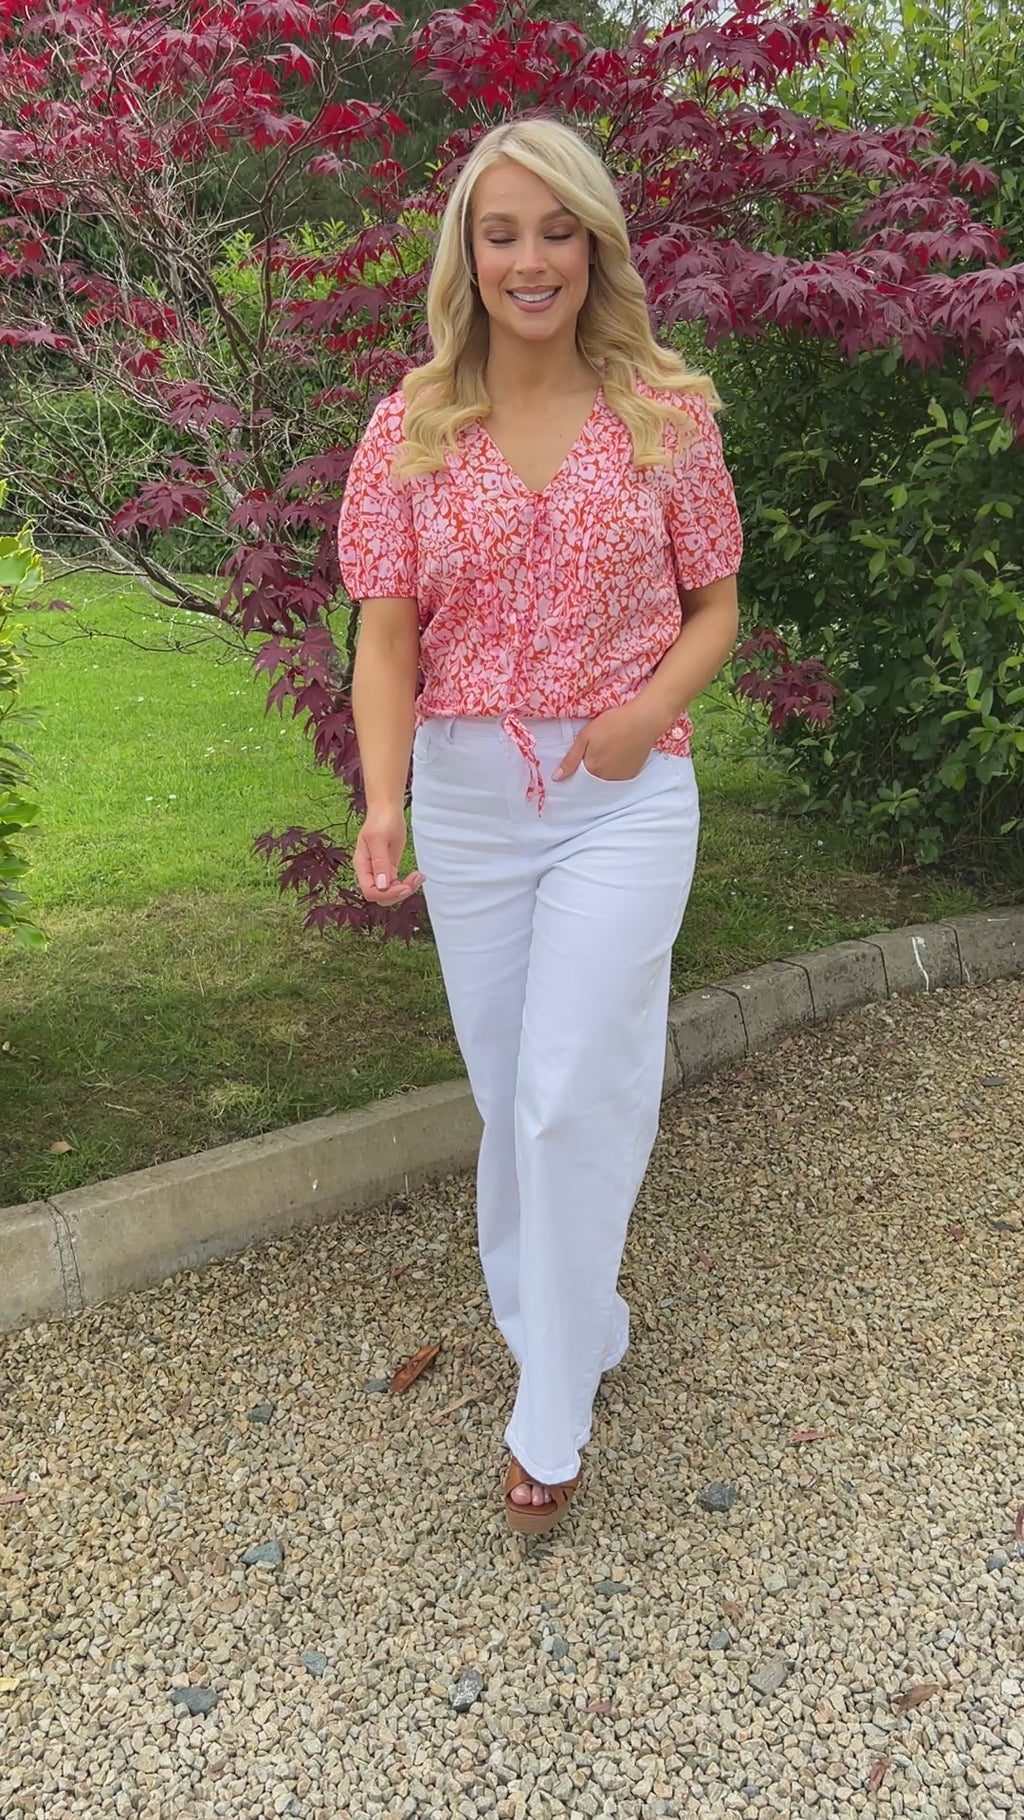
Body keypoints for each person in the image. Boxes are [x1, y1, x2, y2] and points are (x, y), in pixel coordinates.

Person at [336, 115, 742, 1537]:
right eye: (502, 232)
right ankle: (566, 1322)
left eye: (557, 231)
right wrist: (384, 799)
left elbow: (716, 608)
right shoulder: (411, 426)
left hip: (623, 791)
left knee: (575, 1086)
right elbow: (386, 639)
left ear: (594, 247)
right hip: (466, 794)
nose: (531, 259)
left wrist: (642, 713)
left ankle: (550, 1410)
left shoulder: (665, 413)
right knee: (514, 1088)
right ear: (468, 253)